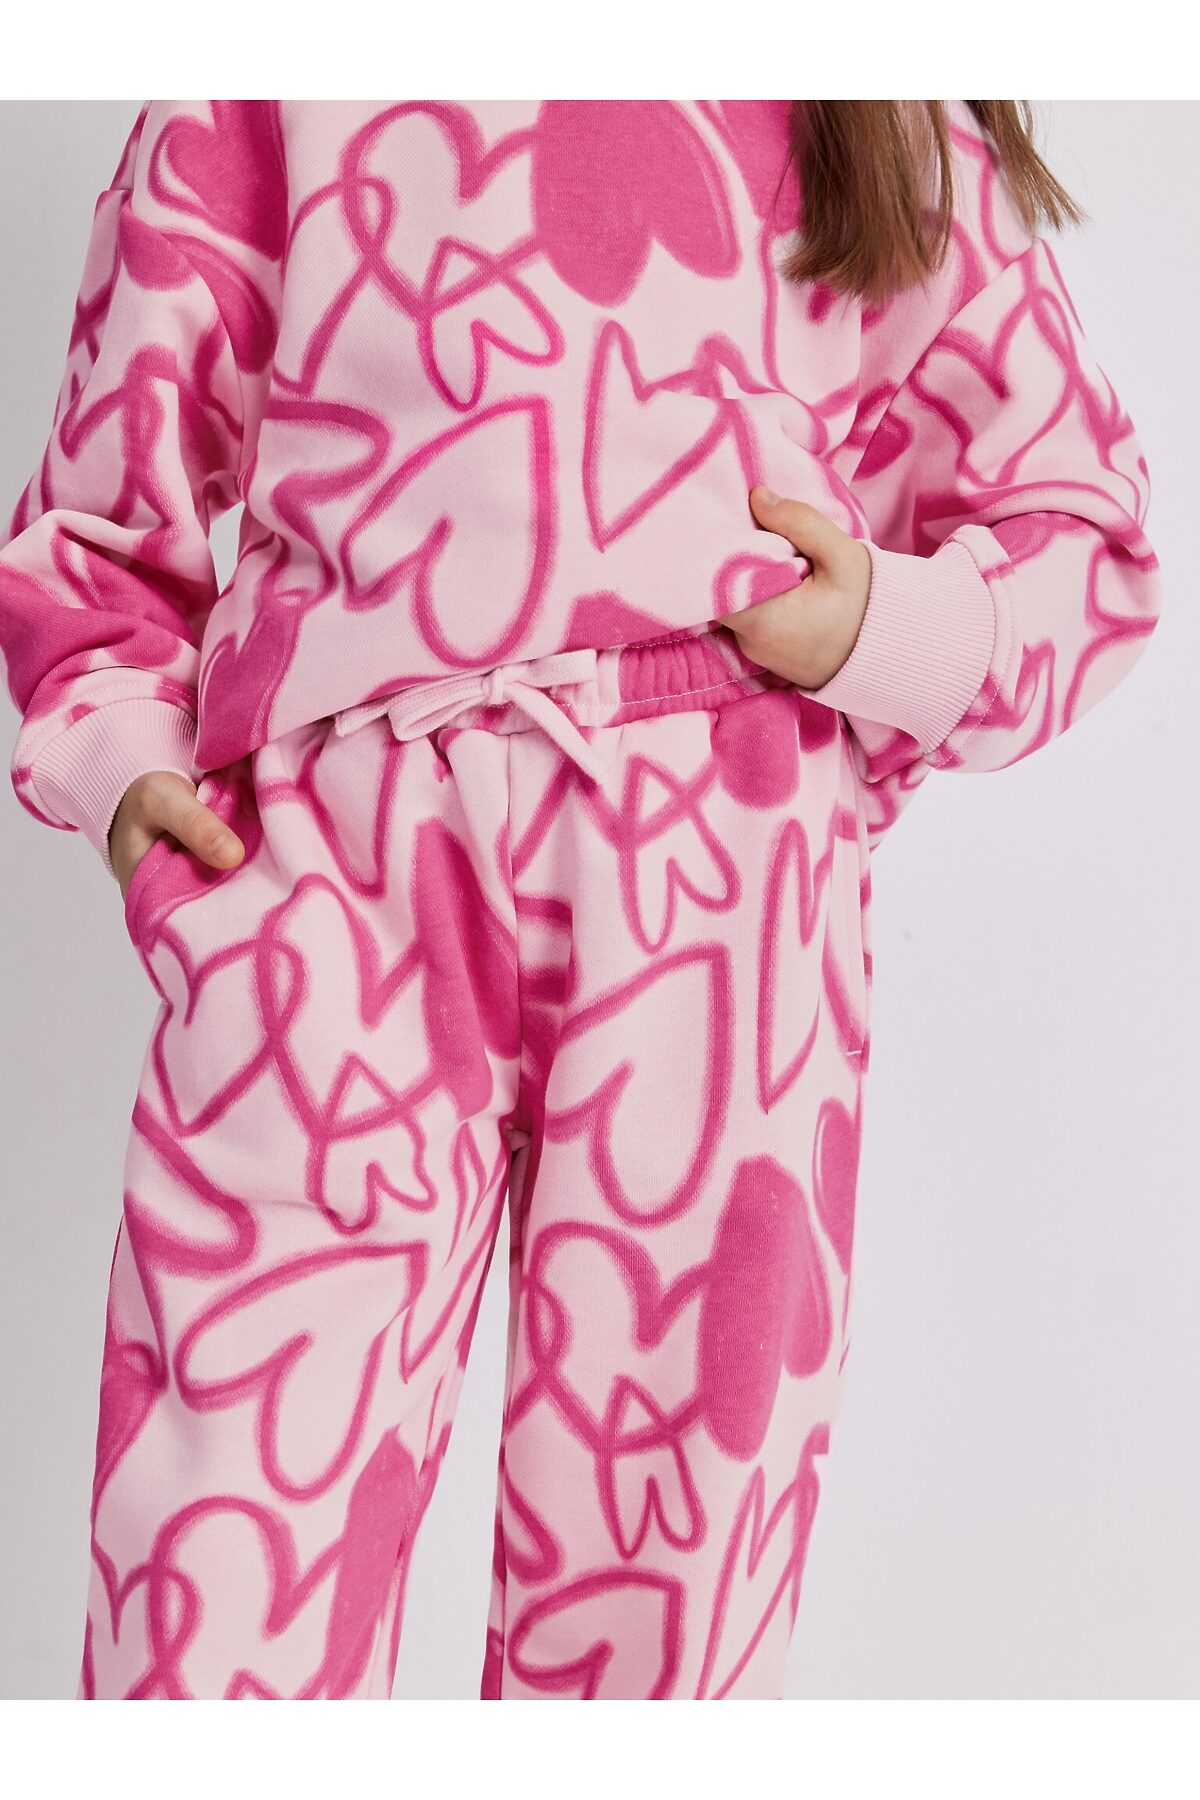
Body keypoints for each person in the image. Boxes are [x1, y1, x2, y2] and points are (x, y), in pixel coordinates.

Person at [0, 100, 1161, 1701]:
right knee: (219, 1582)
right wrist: (128, 768)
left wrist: (877, 629)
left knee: (661, 1601)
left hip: (724, 896)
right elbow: (103, 496)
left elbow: (1085, 535)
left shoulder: (862, 93)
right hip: (333, 882)